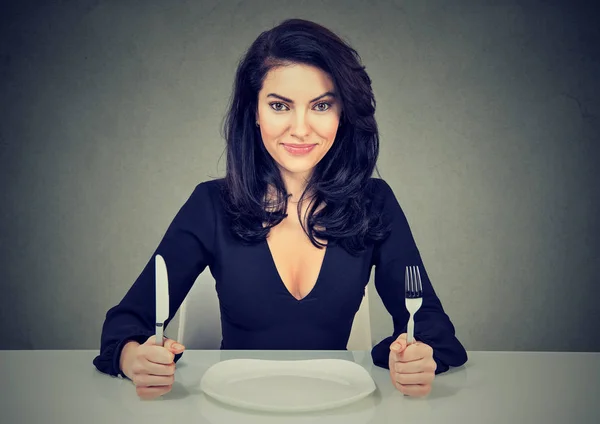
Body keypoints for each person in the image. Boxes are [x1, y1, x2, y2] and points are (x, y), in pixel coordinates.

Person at [93, 18, 467, 400]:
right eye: (279, 106)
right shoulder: (209, 204)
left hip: (337, 408)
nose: (301, 129)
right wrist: (132, 358)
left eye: (321, 105)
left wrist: (415, 357)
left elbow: (432, 328)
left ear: (343, 113)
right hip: (233, 408)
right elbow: (126, 323)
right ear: (254, 112)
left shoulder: (375, 202)